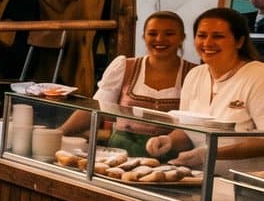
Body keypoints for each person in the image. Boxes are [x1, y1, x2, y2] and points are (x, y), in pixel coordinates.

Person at [145, 8, 264, 174]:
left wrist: (212, 153)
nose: (207, 43)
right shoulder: (195, 75)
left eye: (218, 36)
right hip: (199, 179)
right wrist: (169, 140)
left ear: (239, 41)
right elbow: (189, 130)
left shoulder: (258, 76)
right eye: (201, 36)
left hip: (244, 186)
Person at [61, 11, 192, 149]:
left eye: (169, 34)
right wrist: (60, 132)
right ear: (144, 36)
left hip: (172, 156)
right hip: (120, 153)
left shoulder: (193, 74)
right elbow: (96, 108)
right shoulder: (124, 67)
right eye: (152, 34)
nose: (159, 39)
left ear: (182, 37)